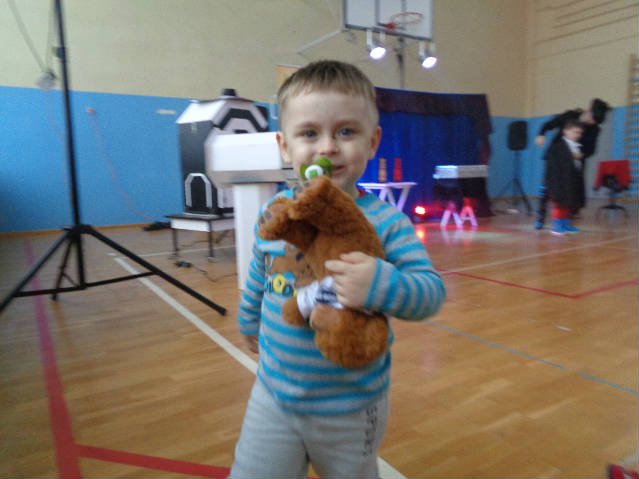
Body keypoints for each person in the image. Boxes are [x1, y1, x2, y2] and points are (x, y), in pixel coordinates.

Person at [229, 60, 446, 479]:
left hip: (351, 408)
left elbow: (430, 292)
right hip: (273, 396)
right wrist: (248, 320)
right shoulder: (276, 213)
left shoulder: (387, 223)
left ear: (372, 140)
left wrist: (380, 283)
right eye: (310, 133)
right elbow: (259, 272)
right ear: (285, 146)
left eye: (346, 132)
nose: (328, 147)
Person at [534, 98, 610, 229]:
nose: (593, 123)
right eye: (593, 119)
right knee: (547, 187)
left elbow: (591, 150)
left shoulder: (594, 129)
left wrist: (582, 155)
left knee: (571, 190)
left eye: (596, 122)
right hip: (555, 159)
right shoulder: (569, 116)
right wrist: (541, 134)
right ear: (589, 111)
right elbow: (549, 124)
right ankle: (541, 217)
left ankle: (566, 220)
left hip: (574, 162)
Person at [545, 119, 585, 235]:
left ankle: (566, 223)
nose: (577, 135)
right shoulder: (556, 147)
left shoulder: (576, 147)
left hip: (571, 180)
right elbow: (553, 168)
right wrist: (554, 184)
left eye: (579, 133)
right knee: (559, 204)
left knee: (568, 203)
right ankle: (556, 226)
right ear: (565, 131)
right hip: (559, 181)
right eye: (575, 132)